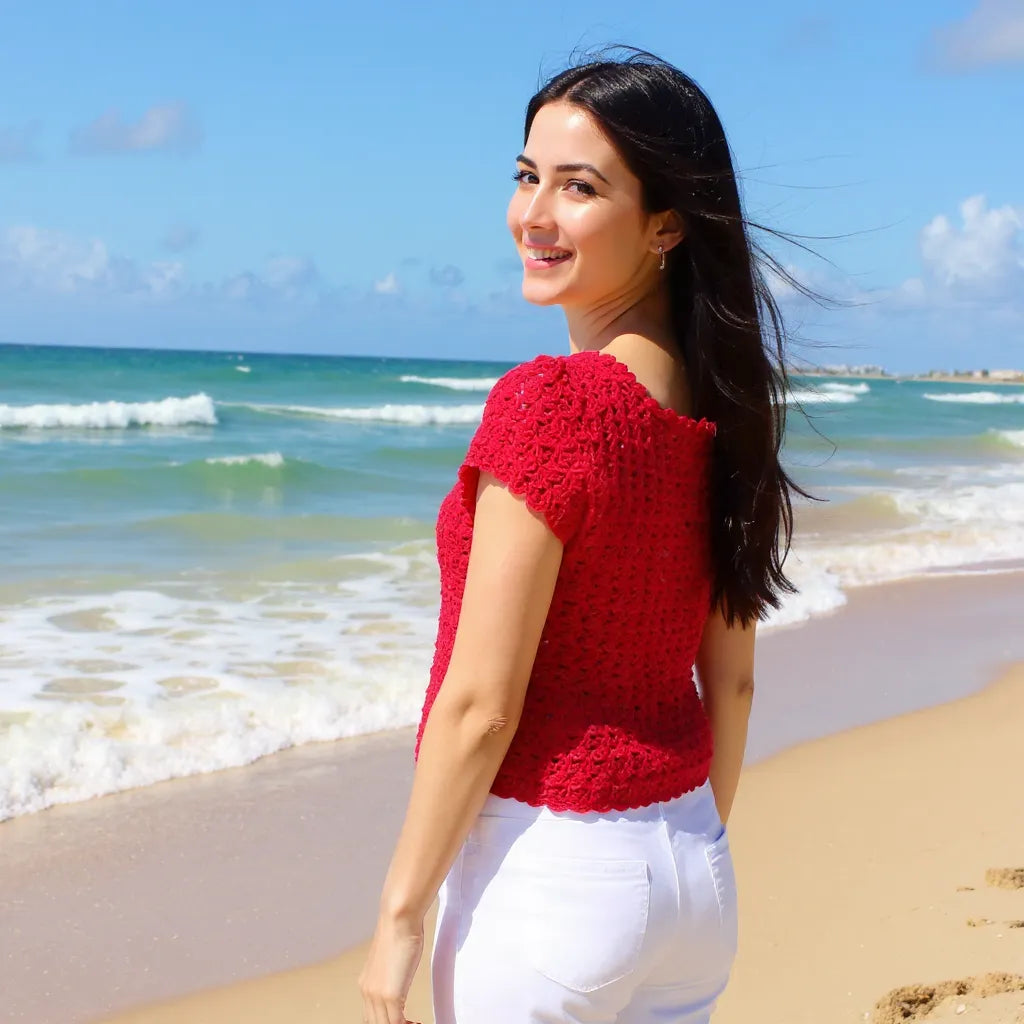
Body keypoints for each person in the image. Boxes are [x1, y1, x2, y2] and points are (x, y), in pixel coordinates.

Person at [359, 44, 815, 1024]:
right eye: (527, 177)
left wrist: (400, 915)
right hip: (691, 868)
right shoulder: (722, 411)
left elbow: (481, 703)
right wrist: (681, 851)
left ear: (663, 224)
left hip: (552, 879)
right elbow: (729, 678)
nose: (533, 214)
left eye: (578, 187)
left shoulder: (555, 404)